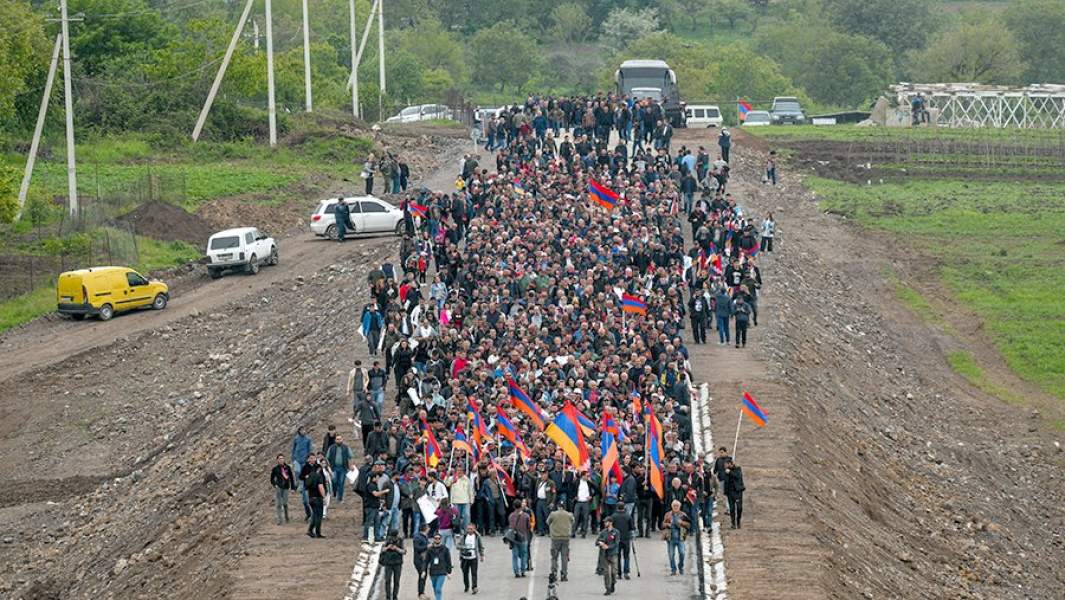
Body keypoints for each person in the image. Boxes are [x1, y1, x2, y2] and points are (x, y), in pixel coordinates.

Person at [547, 502, 573, 581]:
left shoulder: (553, 514)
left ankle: (554, 573)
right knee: (564, 557)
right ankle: (564, 574)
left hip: (555, 538)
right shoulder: (569, 515)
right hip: (565, 538)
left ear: (558, 507)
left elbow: (548, 522)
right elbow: (572, 521)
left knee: (554, 557)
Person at [662, 499, 689, 575]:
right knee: (671, 554)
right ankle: (673, 569)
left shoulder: (683, 515)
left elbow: (689, 525)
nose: (676, 507)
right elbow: (662, 525)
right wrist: (667, 524)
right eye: (674, 506)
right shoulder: (668, 514)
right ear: (672, 507)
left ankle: (681, 566)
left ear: (680, 507)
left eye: (677, 506)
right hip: (670, 538)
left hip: (680, 538)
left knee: (682, 553)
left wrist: (682, 522)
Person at [507, 499, 532, 577]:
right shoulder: (526, 516)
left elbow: (510, 526)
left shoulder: (511, 516)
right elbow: (529, 527)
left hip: (514, 538)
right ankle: (523, 570)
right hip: (523, 537)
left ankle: (516, 571)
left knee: (515, 555)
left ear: (514, 506)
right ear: (521, 506)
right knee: (524, 554)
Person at [457, 522, 485, 594]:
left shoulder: (477, 536)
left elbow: (480, 546)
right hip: (464, 558)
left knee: (474, 573)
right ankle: (466, 586)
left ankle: (474, 587)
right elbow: (458, 546)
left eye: (471, 529)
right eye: (468, 529)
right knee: (465, 573)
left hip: (474, 557)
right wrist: (464, 548)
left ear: (474, 529)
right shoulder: (463, 536)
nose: (469, 530)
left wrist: (482, 555)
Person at [595, 515, 620, 595]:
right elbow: (596, 542)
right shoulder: (603, 532)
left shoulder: (616, 532)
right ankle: (608, 588)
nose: (605, 523)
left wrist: (608, 546)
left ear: (611, 523)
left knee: (614, 572)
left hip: (613, 554)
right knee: (606, 572)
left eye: (606, 522)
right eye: (605, 522)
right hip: (604, 555)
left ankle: (613, 583)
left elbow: (616, 543)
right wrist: (600, 543)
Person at [380, 529, 405, 600]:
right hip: (388, 563)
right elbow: (382, 550)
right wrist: (388, 547)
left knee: (396, 581)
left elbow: (404, 551)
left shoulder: (400, 540)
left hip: (397, 563)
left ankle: (395, 596)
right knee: (387, 580)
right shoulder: (387, 540)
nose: (394, 539)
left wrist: (396, 548)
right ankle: (388, 597)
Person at [270, 453, 295, 525]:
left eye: (282, 458)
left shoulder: (287, 468)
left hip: (286, 487)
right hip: (279, 487)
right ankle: (280, 519)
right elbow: (272, 479)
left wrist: (293, 487)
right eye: (280, 459)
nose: (281, 460)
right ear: (277, 460)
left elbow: (292, 478)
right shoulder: (275, 469)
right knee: (278, 504)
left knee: (285, 503)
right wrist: (275, 485)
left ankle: (287, 517)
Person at [426, 532, 452, 600]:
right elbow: (426, 561)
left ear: (441, 539)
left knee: (438, 589)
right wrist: (423, 570)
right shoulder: (430, 550)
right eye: (435, 538)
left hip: (442, 571)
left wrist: (449, 572)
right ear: (433, 539)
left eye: (439, 538)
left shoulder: (445, 549)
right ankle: (438, 598)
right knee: (435, 587)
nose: (437, 539)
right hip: (433, 572)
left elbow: (448, 561)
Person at [326, 434, 352, 502]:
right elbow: (327, 458)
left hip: (343, 468)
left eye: (340, 439)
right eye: (337, 439)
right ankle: (334, 492)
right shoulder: (331, 448)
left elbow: (350, 457)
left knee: (341, 483)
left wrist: (350, 465)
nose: (339, 440)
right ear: (335, 440)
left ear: (342, 439)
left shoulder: (346, 447)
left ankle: (340, 498)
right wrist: (328, 466)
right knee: (334, 481)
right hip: (333, 468)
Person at [306, 460, 327, 538]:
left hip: (311, 498)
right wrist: (324, 497)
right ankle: (318, 532)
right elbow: (320, 487)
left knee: (314, 515)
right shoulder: (318, 476)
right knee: (319, 516)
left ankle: (310, 530)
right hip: (318, 498)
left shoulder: (310, 476)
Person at [612, 504, 634, 580]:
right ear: (624, 507)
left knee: (617, 556)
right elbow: (632, 528)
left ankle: (619, 573)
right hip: (626, 538)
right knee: (626, 556)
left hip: (617, 539)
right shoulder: (628, 516)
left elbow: (611, 528)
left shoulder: (614, 516)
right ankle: (626, 572)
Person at [723, 459, 745, 529]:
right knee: (732, 509)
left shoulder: (738, 469)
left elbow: (737, 476)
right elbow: (725, 482)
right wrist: (725, 492)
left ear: (730, 464)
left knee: (739, 508)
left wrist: (730, 472)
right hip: (730, 492)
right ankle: (733, 523)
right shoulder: (726, 471)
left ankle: (738, 521)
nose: (725, 466)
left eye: (726, 464)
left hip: (737, 492)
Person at [413, 523, 430, 598]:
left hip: (425, 560)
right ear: (425, 528)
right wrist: (427, 546)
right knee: (422, 575)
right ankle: (420, 593)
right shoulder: (417, 537)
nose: (429, 529)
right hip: (419, 560)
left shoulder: (425, 537)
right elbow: (417, 548)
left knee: (424, 576)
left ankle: (422, 592)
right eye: (428, 527)